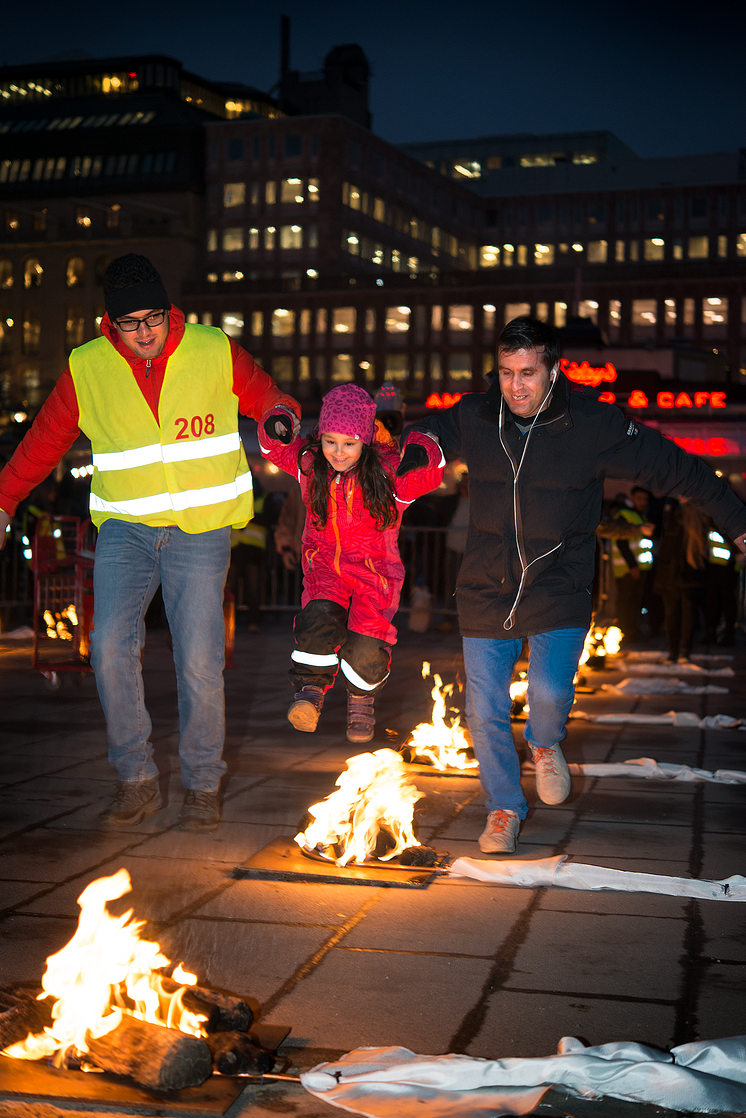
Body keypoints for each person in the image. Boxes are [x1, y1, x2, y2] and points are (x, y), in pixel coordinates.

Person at [403, 316, 746, 854]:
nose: (516, 386)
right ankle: (502, 809)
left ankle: (544, 744)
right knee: (484, 712)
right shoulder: (476, 416)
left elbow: (677, 468)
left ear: (553, 369)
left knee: (549, 693)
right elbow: (422, 438)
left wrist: (737, 520)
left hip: (558, 586)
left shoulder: (593, 424)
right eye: (507, 372)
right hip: (486, 588)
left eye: (529, 373)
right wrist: (373, 445)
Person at [0, 253, 300, 832]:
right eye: (130, 324)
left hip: (201, 527)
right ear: (109, 325)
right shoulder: (87, 367)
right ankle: (136, 778)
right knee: (109, 644)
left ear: (170, 311)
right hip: (127, 529)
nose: (145, 334)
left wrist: (280, 419)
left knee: (199, 659)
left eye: (153, 319)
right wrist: (4, 498)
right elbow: (43, 441)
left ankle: (202, 784)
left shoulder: (213, 349)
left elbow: (267, 395)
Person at [259, 383, 444, 743]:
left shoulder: (388, 474)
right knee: (317, 621)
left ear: (365, 441)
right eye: (330, 442)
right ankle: (310, 693)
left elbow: (432, 471)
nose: (338, 453)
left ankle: (360, 699)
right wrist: (276, 422)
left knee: (366, 646)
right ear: (321, 438)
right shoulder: (311, 467)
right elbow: (274, 446)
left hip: (375, 574)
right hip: (326, 568)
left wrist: (423, 449)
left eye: (349, 444)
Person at [653, 498, 709, 663]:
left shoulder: (674, 525)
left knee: (672, 615)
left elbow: (666, 552)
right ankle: (685, 651)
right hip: (691, 577)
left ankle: (673, 652)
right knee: (688, 615)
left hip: (671, 577)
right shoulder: (700, 527)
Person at [610, 487, 655, 642]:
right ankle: (626, 634)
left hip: (638, 568)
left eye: (645, 499)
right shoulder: (624, 515)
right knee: (626, 603)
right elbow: (622, 543)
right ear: (631, 498)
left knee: (634, 602)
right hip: (627, 569)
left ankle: (632, 632)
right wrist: (632, 566)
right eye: (639, 498)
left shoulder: (639, 516)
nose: (643, 502)